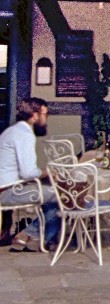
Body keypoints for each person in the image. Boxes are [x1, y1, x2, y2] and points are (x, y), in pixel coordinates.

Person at [0, 98, 60, 252]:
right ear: (34, 115)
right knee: (62, 195)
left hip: (7, 187)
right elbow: (28, 173)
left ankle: (40, 239)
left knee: (53, 196)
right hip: (9, 191)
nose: (46, 119)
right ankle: (28, 235)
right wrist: (49, 172)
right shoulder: (25, 135)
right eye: (45, 115)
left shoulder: (13, 130)